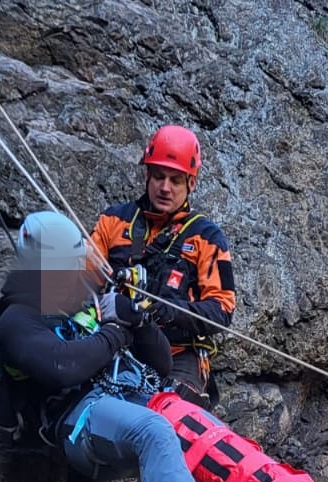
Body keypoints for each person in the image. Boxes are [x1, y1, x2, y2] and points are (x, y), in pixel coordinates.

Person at [0, 209, 276, 482]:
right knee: (153, 431)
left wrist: (136, 318)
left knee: (202, 432)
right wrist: (114, 333)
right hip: (75, 422)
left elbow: (158, 363)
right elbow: (62, 367)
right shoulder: (17, 318)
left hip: (117, 402)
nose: (75, 272)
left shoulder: (76, 300)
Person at [88, 124, 229, 410]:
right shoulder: (113, 222)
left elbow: (222, 309)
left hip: (178, 355)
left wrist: (165, 308)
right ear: (147, 175)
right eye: (159, 177)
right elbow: (82, 279)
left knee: (171, 413)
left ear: (191, 183)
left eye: (176, 180)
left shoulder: (208, 238)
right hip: (117, 340)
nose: (165, 188)